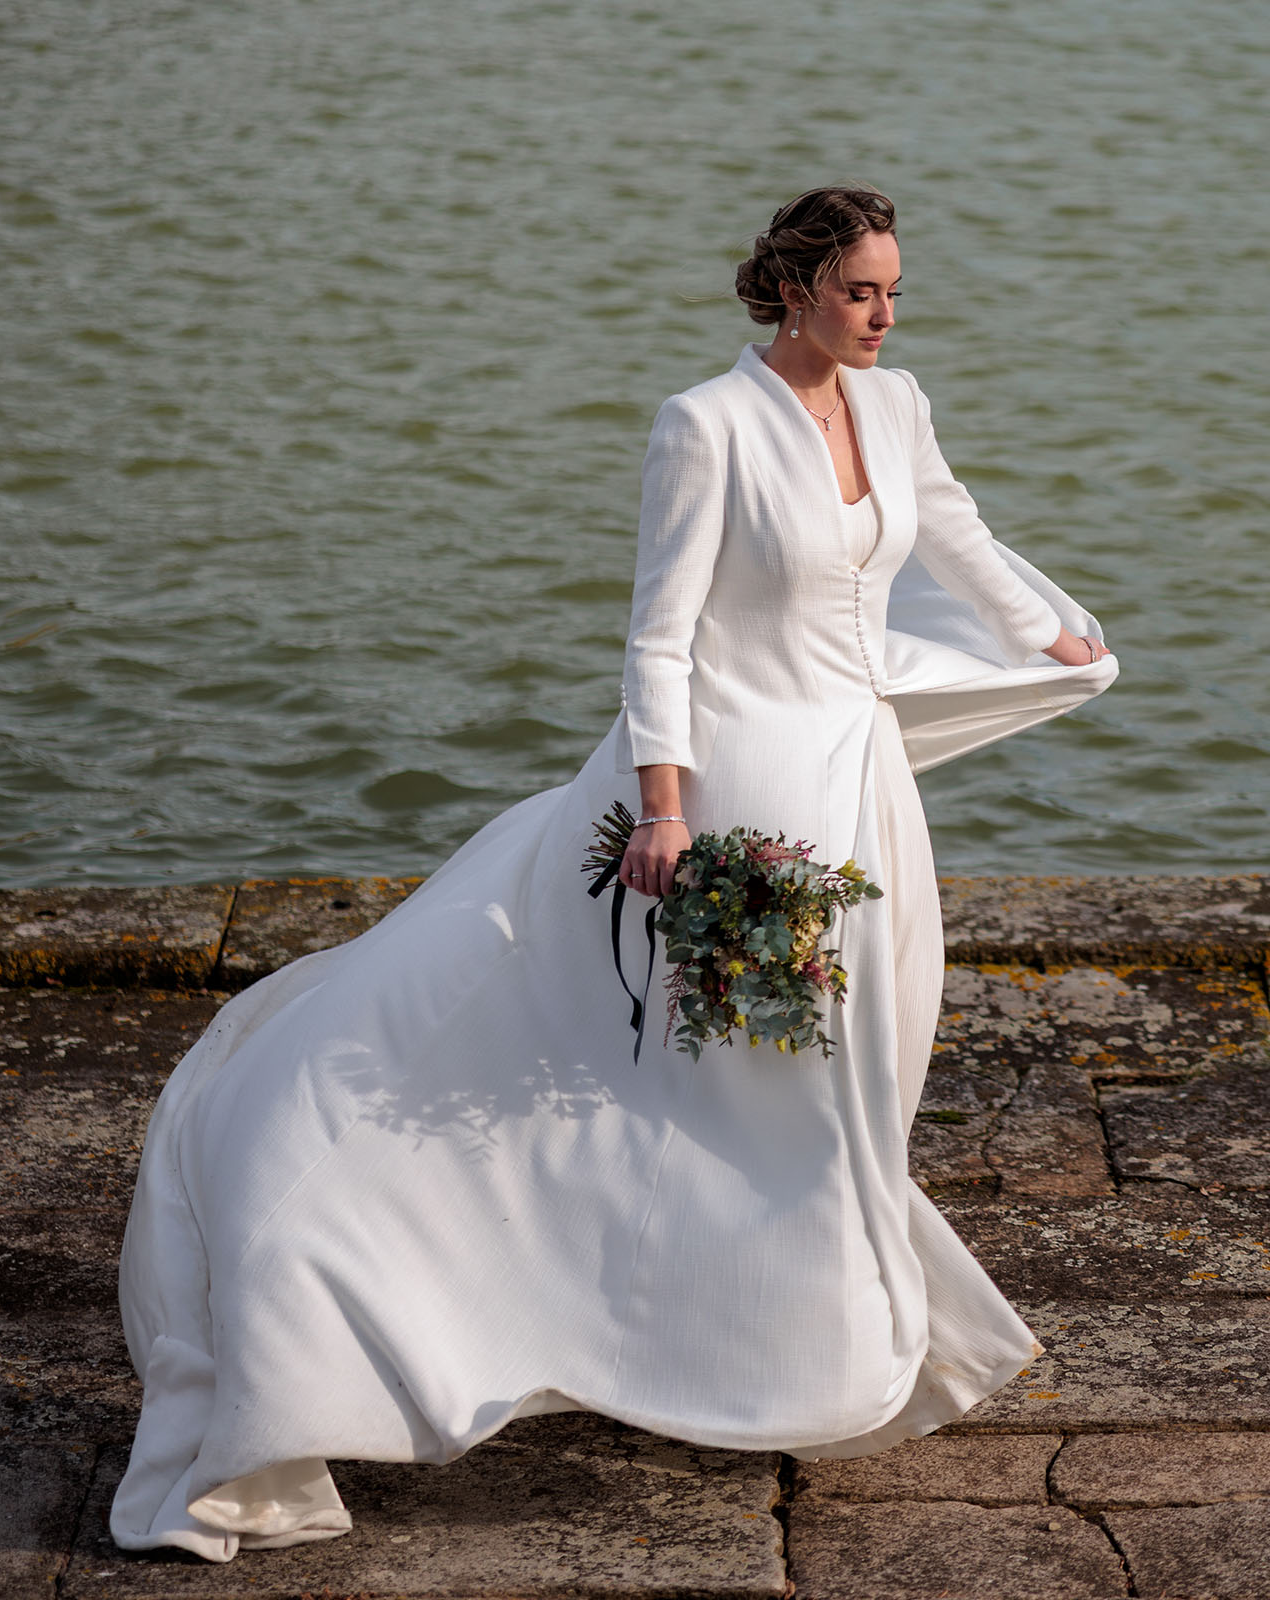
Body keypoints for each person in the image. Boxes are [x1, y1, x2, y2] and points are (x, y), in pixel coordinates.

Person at [110, 184, 1117, 1562]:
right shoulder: (706, 425)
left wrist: (1050, 636)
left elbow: (953, 530)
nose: (885, 315)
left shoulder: (896, 406)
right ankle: (437, 1304)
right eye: (861, 291)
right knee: (740, 1074)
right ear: (795, 290)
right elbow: (661, 636)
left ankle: (790, 1340)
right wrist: (662, 810)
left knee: (863, 1057)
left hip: (858, 785)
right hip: (735, 795)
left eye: (895, 291)